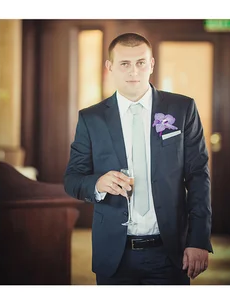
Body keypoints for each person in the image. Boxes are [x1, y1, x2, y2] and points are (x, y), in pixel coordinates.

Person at [64, 32, 212, 285]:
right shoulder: (91, 118)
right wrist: (97, 184)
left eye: (141, 63)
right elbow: (73, 179)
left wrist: (198, 239)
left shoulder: (182, 108)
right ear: (110, 67)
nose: (134, 71)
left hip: (171, 250)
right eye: (124, 64)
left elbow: (199, 176)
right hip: (114, 252)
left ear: (151, 64)